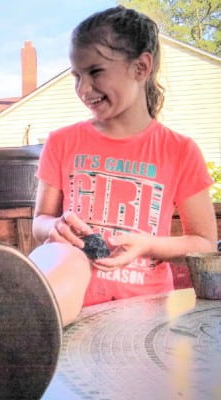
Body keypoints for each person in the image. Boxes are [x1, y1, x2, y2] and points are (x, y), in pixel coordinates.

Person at [29, 6, 217, 326]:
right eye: (77, 76)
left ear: (141, 67)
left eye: (95, 72)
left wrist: (148, 245)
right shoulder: (61, 142)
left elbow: (204, 242)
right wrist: (55, 227)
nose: (83, 89)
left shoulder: (180, 151)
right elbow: (40, 223)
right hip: (73, 314)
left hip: (147, 318)